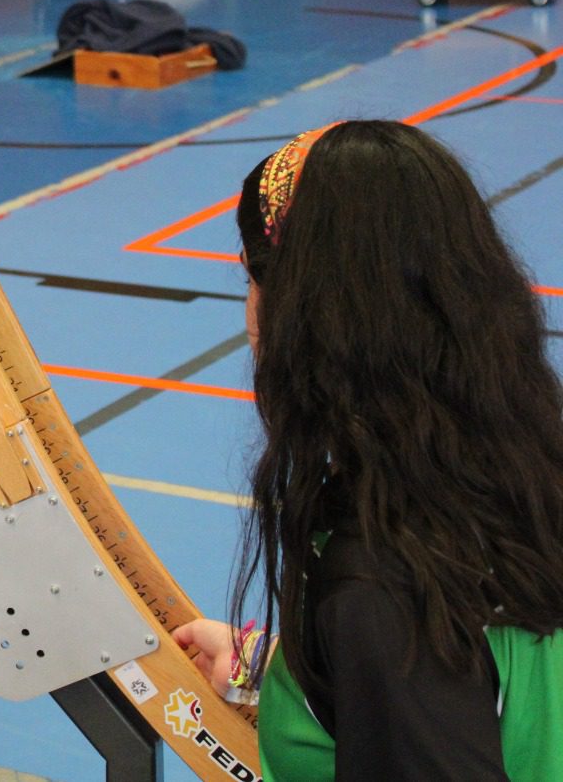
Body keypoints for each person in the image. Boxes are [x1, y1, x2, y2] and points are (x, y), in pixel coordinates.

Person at [172, 120, 563, 780]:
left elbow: (421, 669)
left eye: (253, 277)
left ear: (309, 320)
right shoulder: (519, 476)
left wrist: (355, 648)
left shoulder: (381, 590)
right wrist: (294, 675)